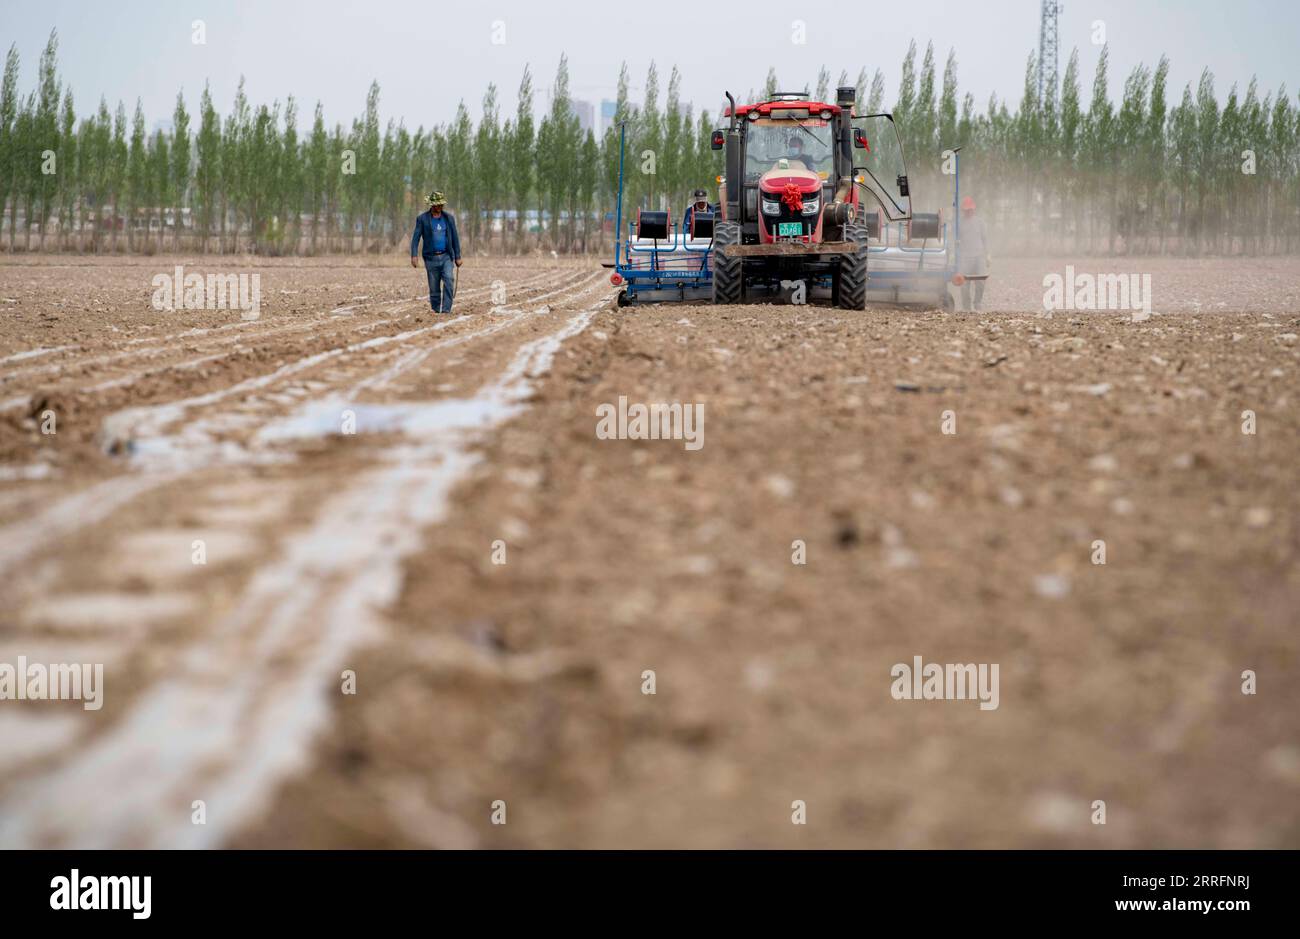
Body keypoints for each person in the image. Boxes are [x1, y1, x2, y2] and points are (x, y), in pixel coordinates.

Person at [410, 190, 462, 314]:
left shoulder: (449, 218)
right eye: (438, 205)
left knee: (449, 280)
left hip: (446, 257)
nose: (440, 207)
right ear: (432, 205)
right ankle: (435, 311)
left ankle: (446, 310)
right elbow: (415, 238)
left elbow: (455, 237)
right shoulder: (422, 219)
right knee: (434, 287)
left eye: (441, 204)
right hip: (430, 258)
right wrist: (414, 255)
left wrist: (458, 256)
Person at [957, 195, 990, 311]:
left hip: (979, 256)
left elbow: (985, 240)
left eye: (970, 209)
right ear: (963, 210)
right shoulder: (959, 223)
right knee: (964, 284)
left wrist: (988, 255)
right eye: (967, 210)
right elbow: (955, 240)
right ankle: (966, 307)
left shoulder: (980, 222)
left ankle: (978, 303)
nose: (969, 212)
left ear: (974, 209)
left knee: (980, 282)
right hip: (965, 257)